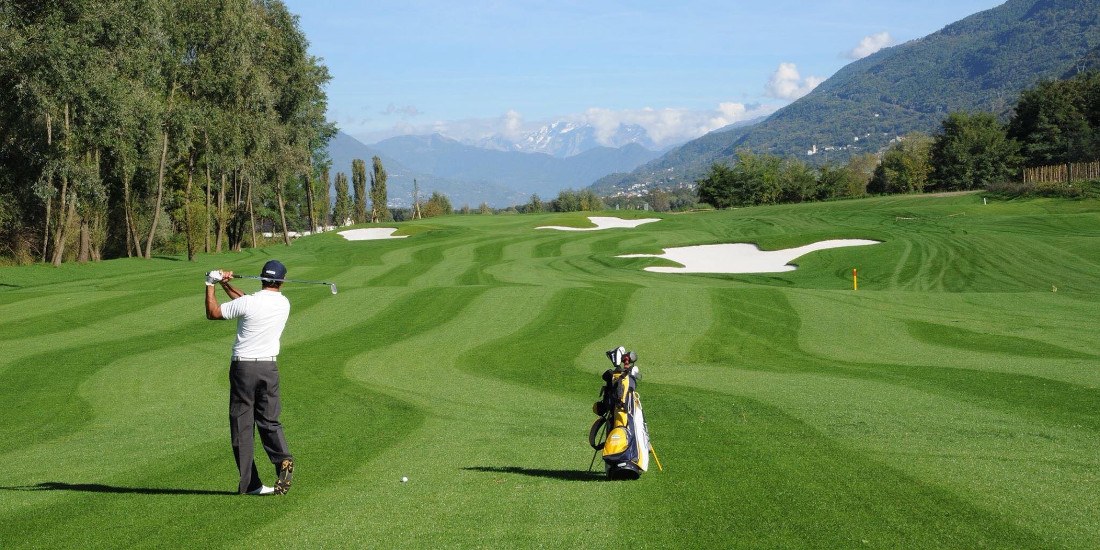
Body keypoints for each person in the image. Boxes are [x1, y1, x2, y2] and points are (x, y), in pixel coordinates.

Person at [204, 260, 295, 496]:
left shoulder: (249, 302)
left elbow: (214, 313)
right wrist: (225, 284)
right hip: (269, 368)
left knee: (242, 425)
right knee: (269, 421)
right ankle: (283, 459)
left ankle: (251, 483)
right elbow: (243, 301)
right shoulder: (284, 303)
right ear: (282, 281)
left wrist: (210, 283)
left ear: (262, 278)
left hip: (243, 369)